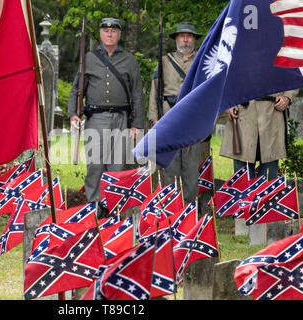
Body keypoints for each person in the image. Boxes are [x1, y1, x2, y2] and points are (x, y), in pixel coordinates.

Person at [68, 17, 144, 204]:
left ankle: (114, 208)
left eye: (114, 31)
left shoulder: (129, 60)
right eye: (105, 30)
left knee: (117, 168)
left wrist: (137, 125)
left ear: (119, 35)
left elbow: (137, 95)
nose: (109, 34)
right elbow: (77, 90)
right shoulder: (89, 59)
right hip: (96, 119)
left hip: (121, 119)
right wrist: (73, 114)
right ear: (101, 34)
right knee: (95, 166)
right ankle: (94, 209)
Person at [148, 22, 207, 204]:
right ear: (176, 39)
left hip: (192, 120)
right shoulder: (164, 62)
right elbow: (155, 90)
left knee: (191, 170)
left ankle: (190, 211)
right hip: (169, 118)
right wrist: (155, 119)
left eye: (189, 36)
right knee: (170, 169)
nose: (185, 39)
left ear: (194, 39)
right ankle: (170, 210)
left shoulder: (202, 62)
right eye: (182, 36)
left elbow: (208, 94)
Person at [219, 90, 299, 180]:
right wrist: (228, 101)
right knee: (242, 179)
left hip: (272, 113)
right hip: (242, 112)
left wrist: (287, 97)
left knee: (268, 181)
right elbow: (224, 77)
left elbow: (295, 76)